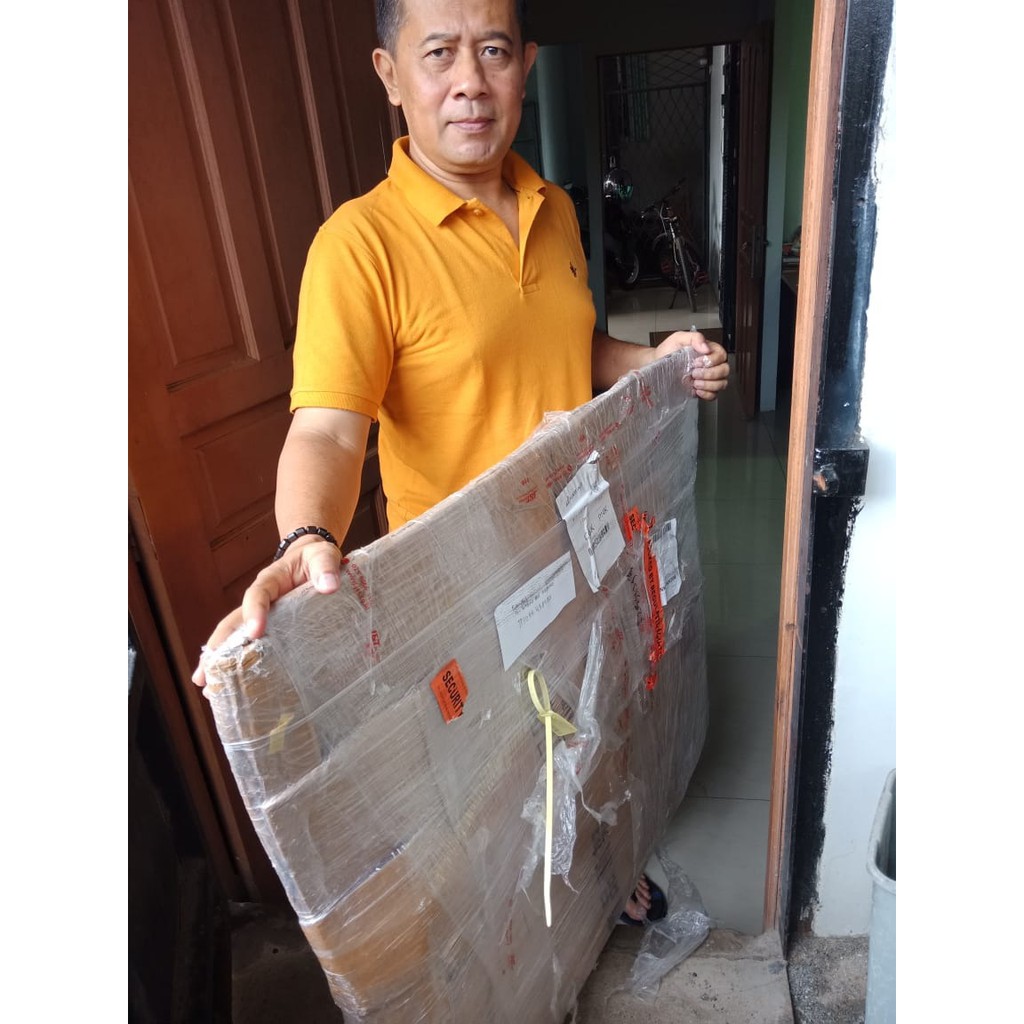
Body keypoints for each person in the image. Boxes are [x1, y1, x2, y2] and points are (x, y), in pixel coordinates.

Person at [193, 0, 729, 926]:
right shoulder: (360, 246)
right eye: (439, 53)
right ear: (390, 75)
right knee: (499, 770)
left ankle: (602, 864)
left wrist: (655, 360)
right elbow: (328, 429)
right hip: (467, 590)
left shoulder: (555, 208)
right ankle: (531, 939)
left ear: (526, 66)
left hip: (578, 543)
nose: (470, 82)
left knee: (595, 712)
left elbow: (566, 345)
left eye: (493, 52)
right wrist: (306, 533)